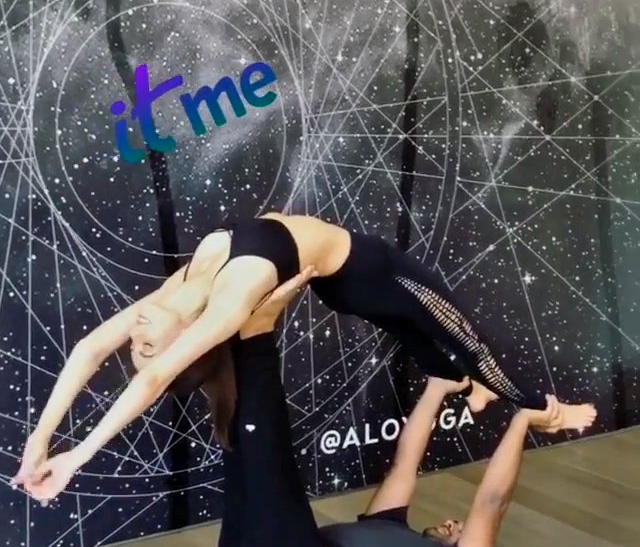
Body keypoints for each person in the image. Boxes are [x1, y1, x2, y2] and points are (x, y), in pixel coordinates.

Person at [14, 213, 595, 500]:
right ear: (189, 338)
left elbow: (88, 349)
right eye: (147, 348)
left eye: (137, 346)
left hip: (339, 282)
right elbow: (153, 380)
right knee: (466, 333)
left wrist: (41, 440)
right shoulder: (228, 302)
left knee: (417, 332)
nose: (136, 334)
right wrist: (78, 458)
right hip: (366, 271)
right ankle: (542, 407)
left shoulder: (169, 299)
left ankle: (471, 385)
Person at [209, 270, 570, 547]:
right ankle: (234, 335)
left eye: (459, 529)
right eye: (458, 523)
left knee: (270, 477)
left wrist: (522, 421)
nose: (454, 522)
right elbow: (405, 463)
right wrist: (437, 389)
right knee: (241, 462)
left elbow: (491, 501)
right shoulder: (390, 528)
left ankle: (254, 335)